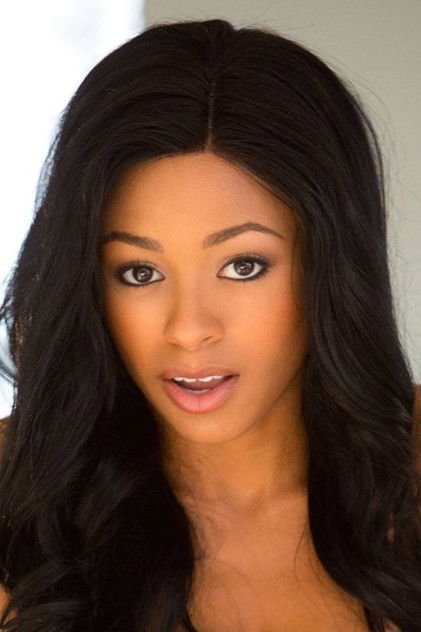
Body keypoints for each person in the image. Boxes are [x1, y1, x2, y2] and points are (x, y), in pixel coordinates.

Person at [0, 18, 419, 632]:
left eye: (243, 266)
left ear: (330, 264)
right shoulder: (20, 501)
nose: (189, 328)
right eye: (140, 272)